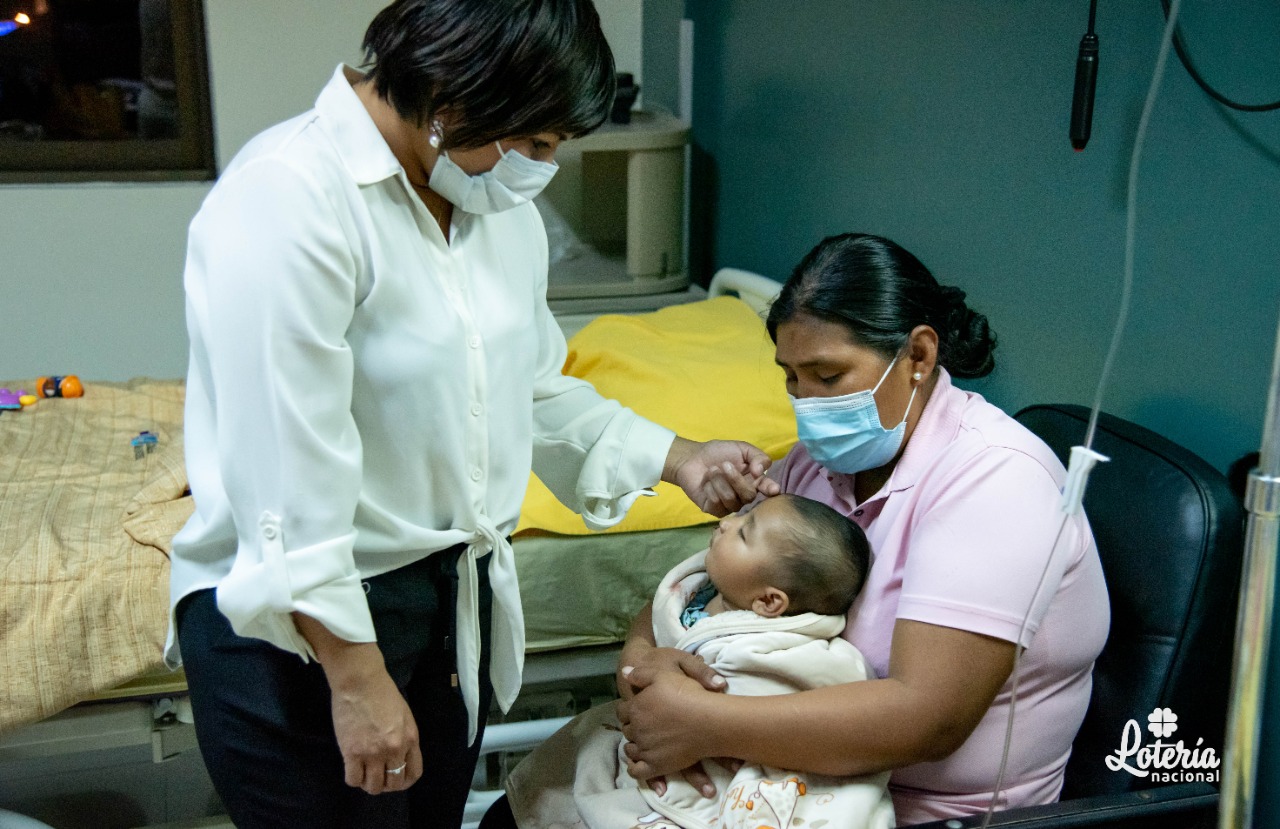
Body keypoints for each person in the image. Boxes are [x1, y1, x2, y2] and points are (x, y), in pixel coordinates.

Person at [164, 3, 778, 828]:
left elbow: (523, 387)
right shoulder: (288, 198)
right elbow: (284, 477)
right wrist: (357, 678)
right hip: (307, 625)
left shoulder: (495, 212)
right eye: (534, 143)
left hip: (448, 601)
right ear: (453, 94)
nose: (542, 169)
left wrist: (678, 456)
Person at [596, 233, 1111, 826]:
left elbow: (928, 718)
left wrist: (701, 724)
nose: (806, 403)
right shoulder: (817, 466)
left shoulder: (995, 481)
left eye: (828, 375)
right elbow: (697, 586)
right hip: (769, 781)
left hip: (929, 814)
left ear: (917, 356)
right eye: (791, 378)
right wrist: (645, 670)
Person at [503, 494, 896, 829]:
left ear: (769, 602)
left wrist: (702, 719)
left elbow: (819, 685)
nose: (726, 522)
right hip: (656, 733)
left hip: (734, 764)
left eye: (744, 532)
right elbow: (658, 617)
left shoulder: (777, 647)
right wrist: (640, 668)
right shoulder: (700, 591)